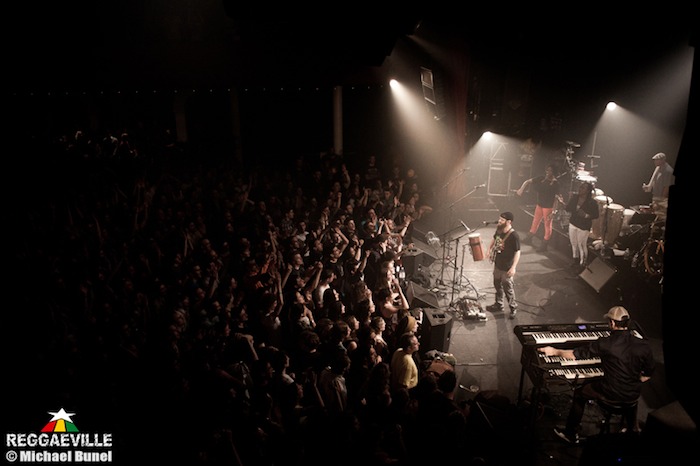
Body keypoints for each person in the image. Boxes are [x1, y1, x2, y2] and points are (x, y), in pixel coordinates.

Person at [538, 306, 654, 444]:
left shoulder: (605, 343)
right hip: (632, 397)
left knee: (580, 393)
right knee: (629, 394)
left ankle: (570, 433)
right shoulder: (643, 345)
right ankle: (633, 431)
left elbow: (574, 355)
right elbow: (648, 374)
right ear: (627, 323)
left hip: (610, 395)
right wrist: (632, 379)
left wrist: (554, 351)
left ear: (611, 323)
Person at [516, 164, 564, 252]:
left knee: (547, 225)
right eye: (547, 170)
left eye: (550, 171)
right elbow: (527, 181)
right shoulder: (541, 178)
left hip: (548, 207)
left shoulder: (556, 183)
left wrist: (554, 211)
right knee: (535, 221)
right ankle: (529, 237)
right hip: (540, 205)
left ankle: (544, 245)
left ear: (553, 172)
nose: (547, 172)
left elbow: (557, 198)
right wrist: (521, 189)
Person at [486, 212, 521, 319]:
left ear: (509, 222)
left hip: (507, 267)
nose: (499, 221)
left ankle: (512, 307)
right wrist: (489, 249)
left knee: (508, 288)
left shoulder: (514, 236)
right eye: (499, 219)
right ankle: (499, 304)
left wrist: (513, 267)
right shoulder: (499, 230)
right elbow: (494, 238)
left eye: (502, 220)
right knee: (497, 284)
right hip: (498, 264)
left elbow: (517, 252)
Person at [564, 181, 599, 272]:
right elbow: (568, 208)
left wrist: (586, 215)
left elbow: (596, 215)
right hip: (573, 223)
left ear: (588, 191)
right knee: (574, 243)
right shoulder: (575, 197)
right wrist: (563, 204)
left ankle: (582, 264)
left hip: (583, 226)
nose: (580, 189)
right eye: (580, 187)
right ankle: (575, 260)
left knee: (581, 245)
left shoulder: (592, 202)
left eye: (583, 188)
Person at [642, 152, 674, 220]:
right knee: (655, 217)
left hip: (662, 199)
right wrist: (647, 187)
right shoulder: (658, 168)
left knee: (661, 218)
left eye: (657, 160)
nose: (655, 161)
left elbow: (666, 187)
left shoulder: (668, 171)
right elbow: (653, 181)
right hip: (656, 197)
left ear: (662, 160)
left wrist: (660, 201)